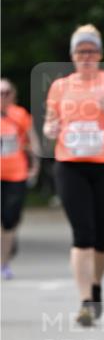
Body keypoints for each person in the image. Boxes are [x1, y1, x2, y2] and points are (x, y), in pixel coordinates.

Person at [44, 25, 104, 325]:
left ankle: (95, 285)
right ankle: (86, 301)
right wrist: (50, 129)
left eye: (91, 51)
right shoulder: (60, 87)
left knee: (102, 237)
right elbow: (49, 125)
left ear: (99, 54)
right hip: (70, 165)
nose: (86, 56)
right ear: (72, 55)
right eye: (80, 51)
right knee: (82, 234)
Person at [1, 79, 40, 279]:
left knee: (10, 218)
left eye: (6, 92)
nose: (3, 97)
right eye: (0, 93)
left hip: (16, 174)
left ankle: (4, 264)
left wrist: (36, 166)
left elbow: (32, 142)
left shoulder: (20, 115)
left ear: (13, 95)